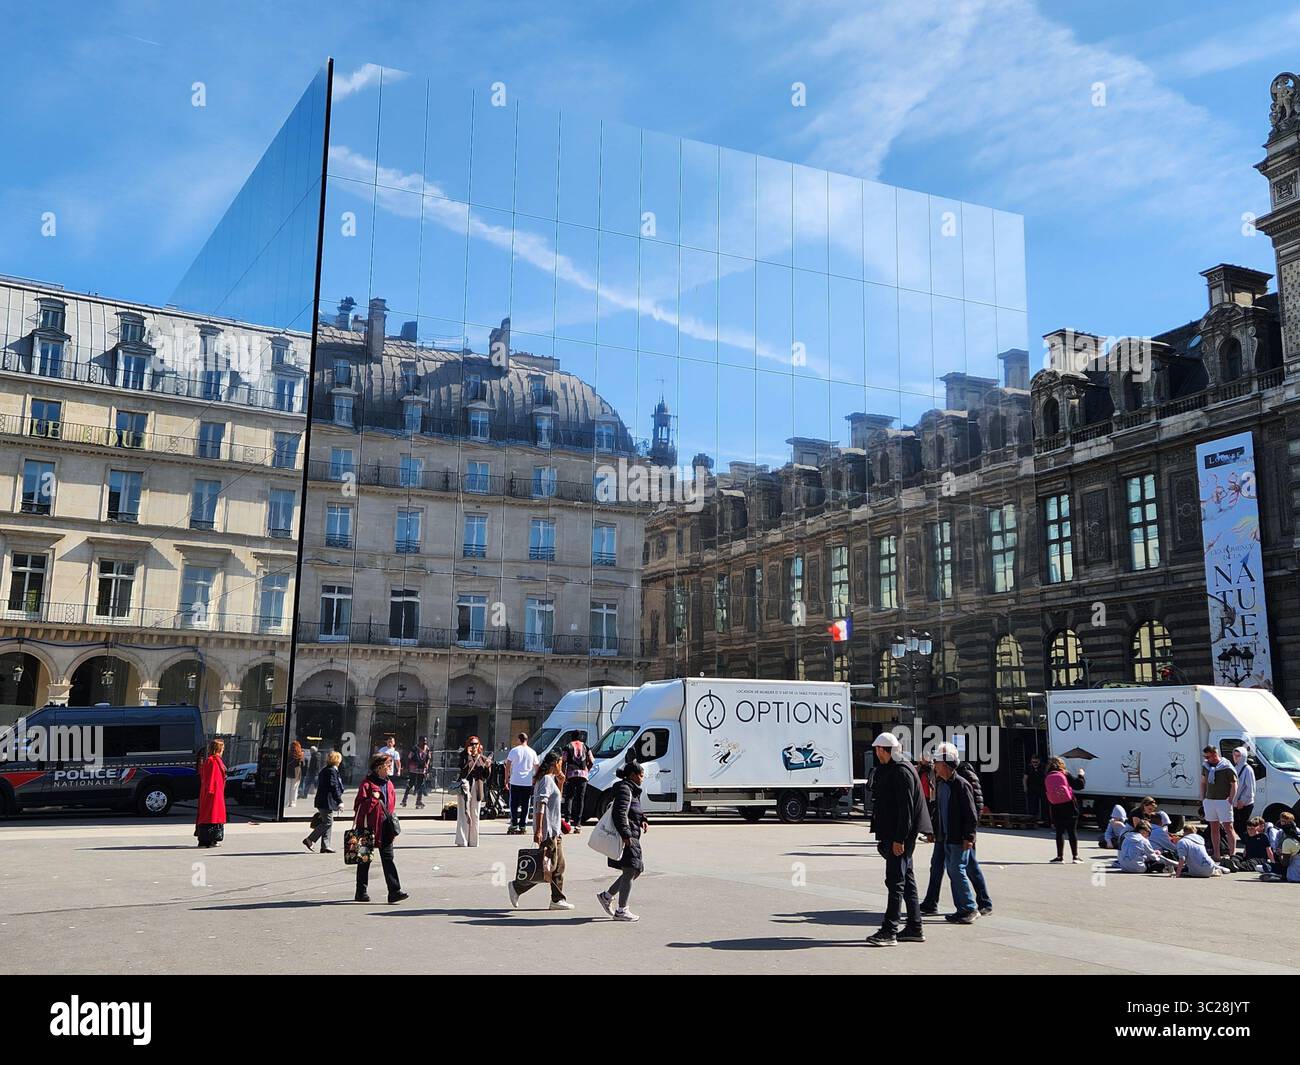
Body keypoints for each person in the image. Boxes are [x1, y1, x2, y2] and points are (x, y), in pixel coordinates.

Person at [865, 732, 931, 946]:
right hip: (897, 835)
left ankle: (889, 930)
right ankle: (915, 926)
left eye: (878, 750)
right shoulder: (899, 767)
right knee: (907, 880)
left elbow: (906, 811)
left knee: (895, 882)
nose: (877, 754)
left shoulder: (901, 771)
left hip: (899, 836)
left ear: (885, 750)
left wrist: (899, 839)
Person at [508, 752, 574, 910]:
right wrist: (538, 830)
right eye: (560, 763)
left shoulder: (549, 779)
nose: (561, 766)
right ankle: (517, 887)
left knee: (558, 865)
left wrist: (562, 782)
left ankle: (557, 900)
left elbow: (554, 799)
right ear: (555, 763)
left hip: (554, 830)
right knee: (546, 867)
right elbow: (541, 804)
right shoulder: (545, 779)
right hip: (548, 831)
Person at [933, 742, 980, 924]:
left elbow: (971, 813)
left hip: (959, 838)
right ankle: (961, 909)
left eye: (937, 763)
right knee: (953, 872)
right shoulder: (942, 784)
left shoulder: (961, 785)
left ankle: (969, 907)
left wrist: (969, 836)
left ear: (945, 765)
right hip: (946, 836)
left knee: (958, 871)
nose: (934, 766)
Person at [597, 760, 648, 922]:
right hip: (627, 836)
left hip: (632, 833)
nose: (642, 778)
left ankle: (607, 896)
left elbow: (633, 809)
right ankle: (621, 910)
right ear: (633, 775)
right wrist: (626, 835)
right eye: (641, 775)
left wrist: (642, 819)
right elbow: (620, 813)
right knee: (631, 869)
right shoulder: (625, 789)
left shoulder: (630, 789)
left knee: (636, 869)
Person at [1043, 756, 1085, 864]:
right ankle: (1075, 857)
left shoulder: (1047, 776)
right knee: (1072, 831)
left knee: (1059, 831)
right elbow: (1079, 785)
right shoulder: (1064, 774)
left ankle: (1059, 857)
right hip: (1070, 805)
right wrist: (1081, 775)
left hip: (1056, 806)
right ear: (1061, 764)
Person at [1200, 746, 1238, 860]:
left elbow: (1234, 784)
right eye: (1205, 757)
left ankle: (1233, 854)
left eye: (1208, 756)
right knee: (1213, 827)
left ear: (1215, 754)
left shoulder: (1227, 767)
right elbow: (1203, 782)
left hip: (1223, 801)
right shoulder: (1206, 766)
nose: (1206, 759)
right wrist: (1203, 797)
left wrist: (1231, 798)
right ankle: (1216, 854)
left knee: (1228, 827)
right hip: (1210, 800)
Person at [304, 750, 345, 853]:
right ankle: (310, 839)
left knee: (328, 822)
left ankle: (325, 846)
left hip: (324, 800)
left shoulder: (327, 770)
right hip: (326, 801)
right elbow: (333, 787)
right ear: (337, 760)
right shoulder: (331, 771)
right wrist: (339, 801)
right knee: (327, 822)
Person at [456, 736, 491, 847]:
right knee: (463, 813)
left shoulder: (483, 758)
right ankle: (462, 840)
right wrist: (468, 755)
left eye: (476, 744)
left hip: (477, 787)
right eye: (471, 744)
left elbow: (485, 776)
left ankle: (473, 841)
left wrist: (487, 767)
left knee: (475, 814)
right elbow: (463, 767)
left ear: (479, 745)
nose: (474, 746)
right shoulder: (463, 756)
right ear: (468, 745)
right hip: (465, 786)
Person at [504, 732, 539, 835]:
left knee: (513, 804)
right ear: (527, 740)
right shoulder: (532, 752)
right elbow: (537, 766)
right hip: (527, 782)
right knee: (525, 805)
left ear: (519, 740)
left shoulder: (514, 751)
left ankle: (514, 823)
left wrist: (506, 779)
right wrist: (535, 778)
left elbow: (508, 765)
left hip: (515, 780)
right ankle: (523, 825)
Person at [196, 739, 227, 848]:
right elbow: (210, 778)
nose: (223, 750)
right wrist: (211, 791)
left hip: (215, 792)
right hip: (213, 793)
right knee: (211, 815)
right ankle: (208, 839)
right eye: (222, 748)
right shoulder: (212, 761)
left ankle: (211, 839)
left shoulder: (213, 760)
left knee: (212, 815)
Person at [561, 731, 594, 833]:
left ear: (572, 737)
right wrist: (587, 769)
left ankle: (567, 820)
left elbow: (563, 761)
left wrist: (563, 774)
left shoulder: (567, 746)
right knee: (580, 799)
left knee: (569, 797)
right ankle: (578, 824)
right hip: (583, 776)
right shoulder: (586, 747)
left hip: (571, 775)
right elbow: (592, 761)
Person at [1232, 746, 1256, 848]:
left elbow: (1250, 788)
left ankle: (1250, 844)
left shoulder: (1247, 769)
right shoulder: (1236, 767)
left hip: (1244, 804)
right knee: (1238, 825)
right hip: (1236, 803)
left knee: (1241, 826)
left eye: (1238, 755)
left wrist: (1242, 800)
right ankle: (1249, 843)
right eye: (1234, 755)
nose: (1236, 757)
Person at [402, 736, 432, 809]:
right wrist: (406, 767)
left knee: (421, 784)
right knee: (411, 783)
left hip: (422, 769)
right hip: (414, 768)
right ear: (419, 741)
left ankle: (418, 801)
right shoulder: (414, 748)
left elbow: (428, 758)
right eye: (423, 741)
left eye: (425, 741)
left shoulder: (427, 749)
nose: (424, 743)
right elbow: (409, 758)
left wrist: (427, 764)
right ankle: (404, 799)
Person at [1023, 753, 1048, 827]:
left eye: (1036, 762)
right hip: (1032, 787)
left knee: (1044, 804)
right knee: (1033, 804)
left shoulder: (1043, 767)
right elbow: (1025, 778)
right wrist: (1025, 787)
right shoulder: (1029, 767)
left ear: (1039, 761)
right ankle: (1033, 819)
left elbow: (1047, 776)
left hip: (1042, 787)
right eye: (1033, 762)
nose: (1035, 764)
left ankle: (1045, 820)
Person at [285, 740, 304, 809]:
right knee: (294, 789)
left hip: (288, 772)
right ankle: (292, 803)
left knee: (287, 788)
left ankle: (285, 802)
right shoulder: (300, 755)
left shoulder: (288, 754)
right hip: (297, 773)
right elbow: (303, 764)